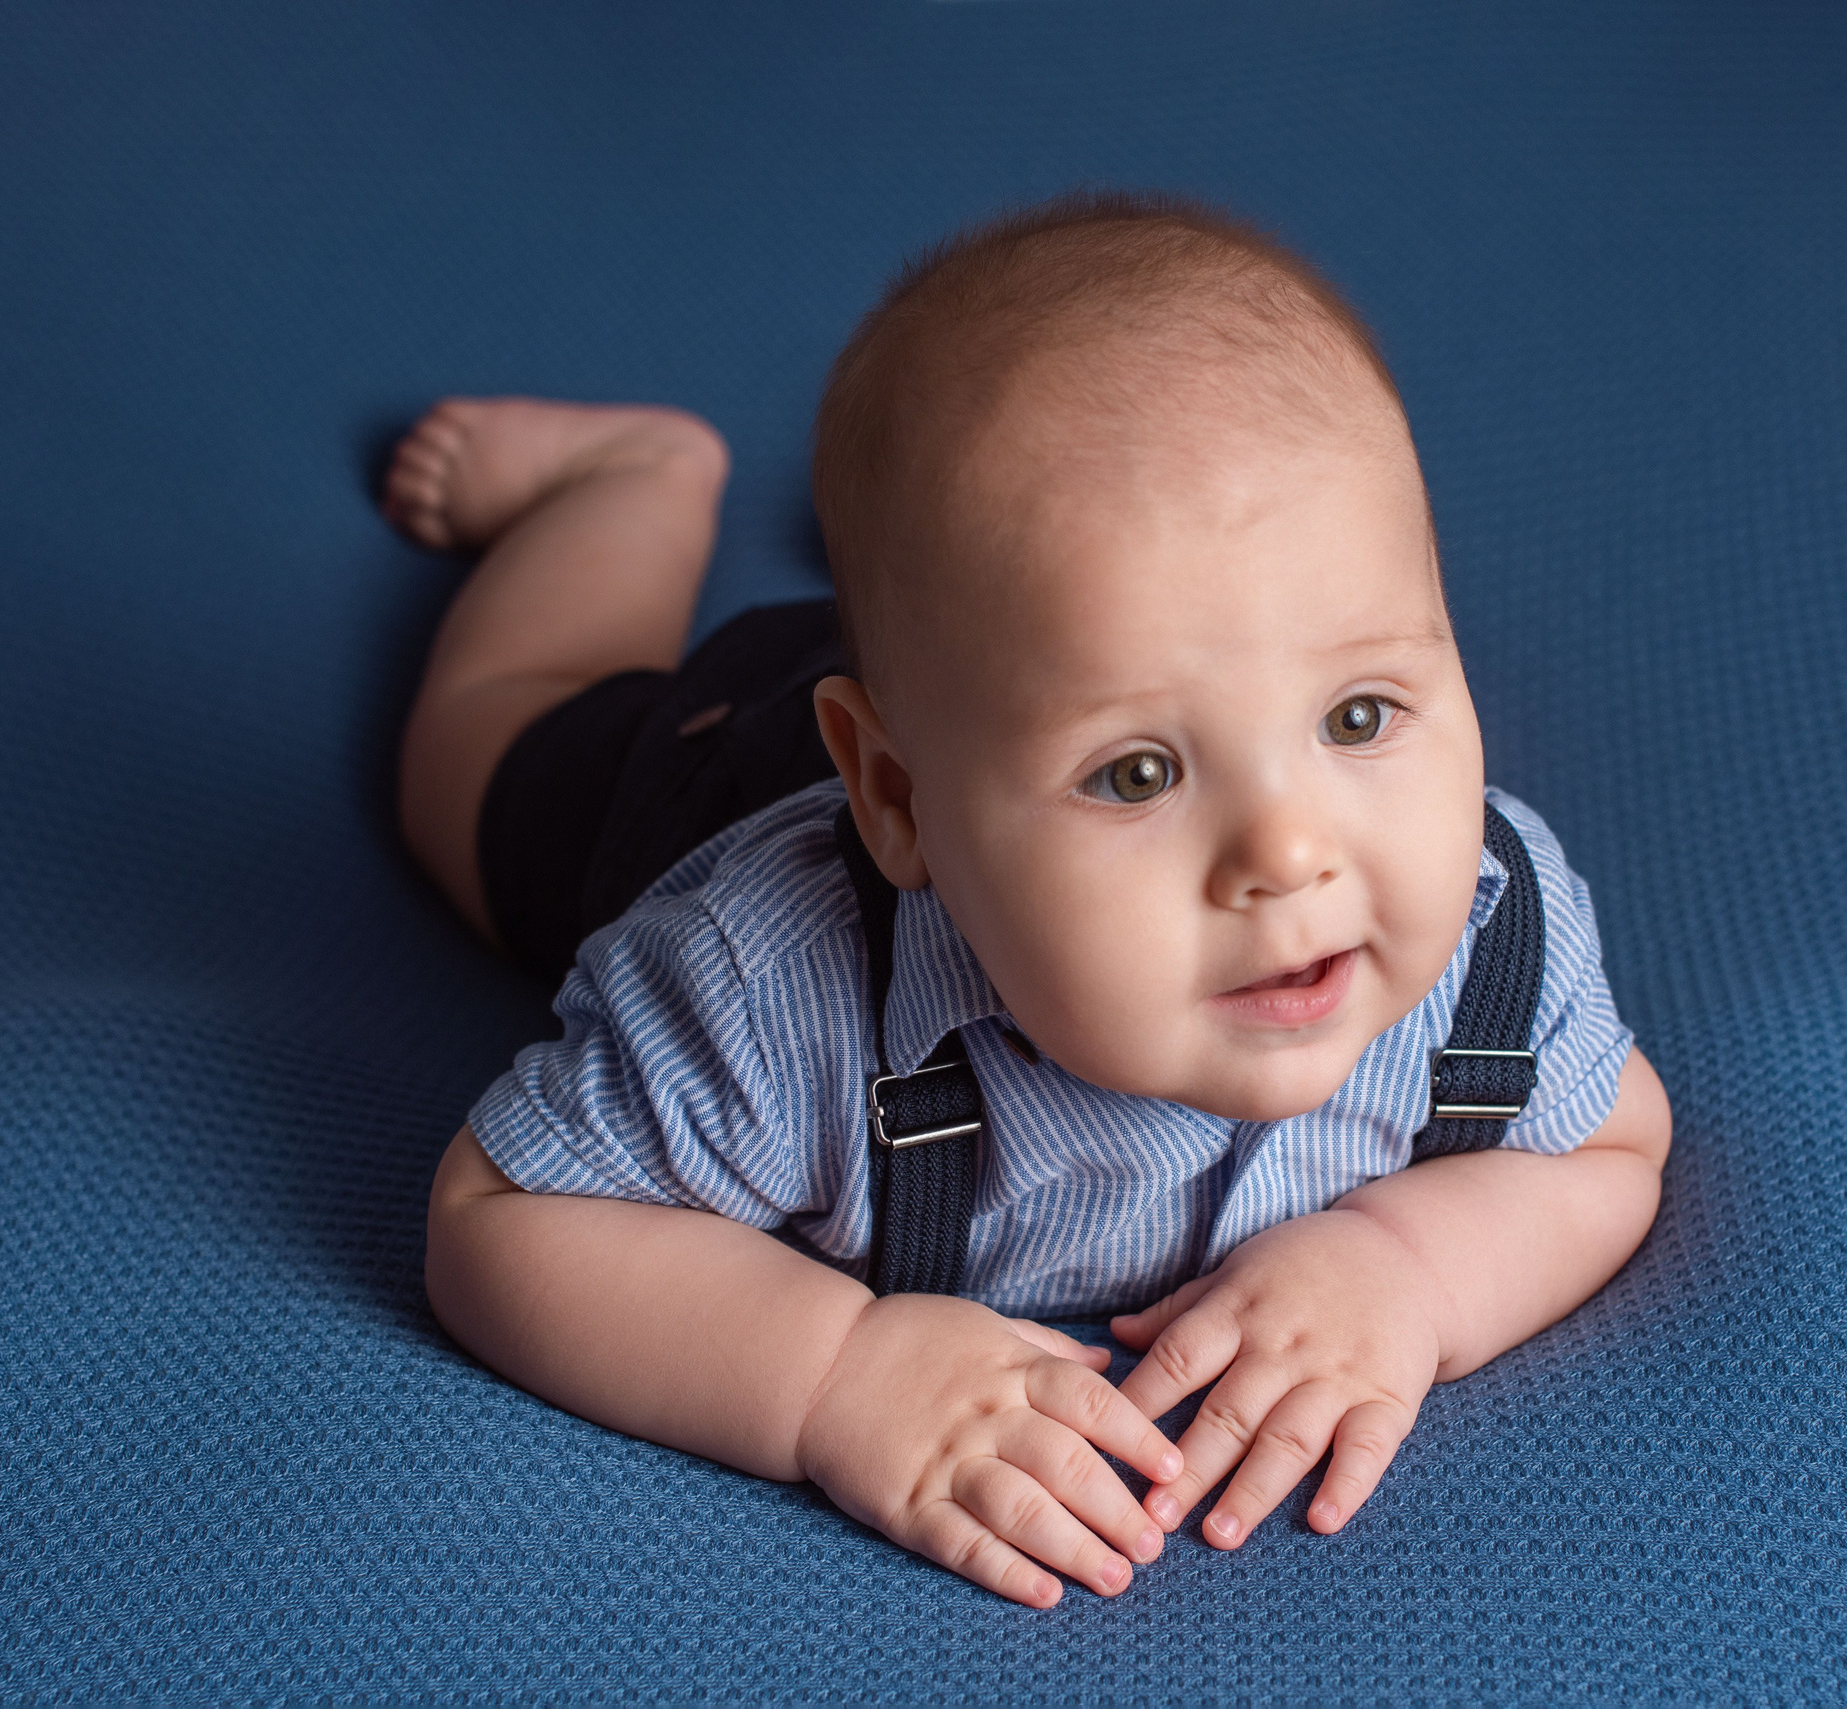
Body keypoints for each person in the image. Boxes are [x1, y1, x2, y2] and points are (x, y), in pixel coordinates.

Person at [395, 191, 1671, 1609]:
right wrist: (831, 1371)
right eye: (1137, 773)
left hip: (984, 698)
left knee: (1027, 632)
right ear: (894, 798)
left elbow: (1610, 1146)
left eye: (1361, 715)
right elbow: (496, 1208)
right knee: (473, 757)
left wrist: (1410, 1271)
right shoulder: (772, 994)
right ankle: (630, 484)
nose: (1290, 852)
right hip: (718, 764)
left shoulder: (1489, 944)